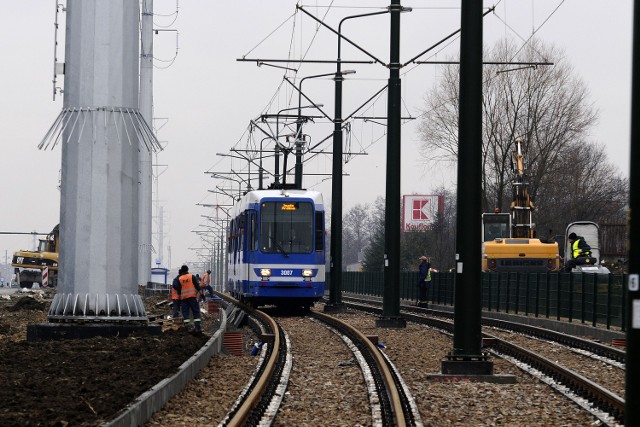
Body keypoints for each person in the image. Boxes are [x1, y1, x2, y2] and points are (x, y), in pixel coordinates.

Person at [173, 265, 203, 333]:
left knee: (185, 313)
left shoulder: (179, 278)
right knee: (196, 312)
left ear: (182, 270)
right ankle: (198, 328)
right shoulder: (191, 276)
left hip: (184, 299)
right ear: (187, 270)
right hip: (192, 297)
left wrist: (179, 299)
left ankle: (187, 327)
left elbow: (178, 290)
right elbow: (197, 286)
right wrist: (202, 294)